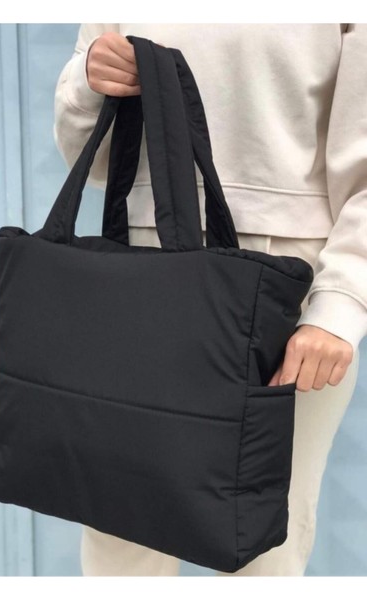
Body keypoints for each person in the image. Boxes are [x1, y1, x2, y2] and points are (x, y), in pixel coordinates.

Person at [53, 23, 367, 576]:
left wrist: (342, 302)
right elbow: (91, 157)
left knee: (261, 548)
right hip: (137, 271)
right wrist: (87, 80)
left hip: (282, 290)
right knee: (118, 533)